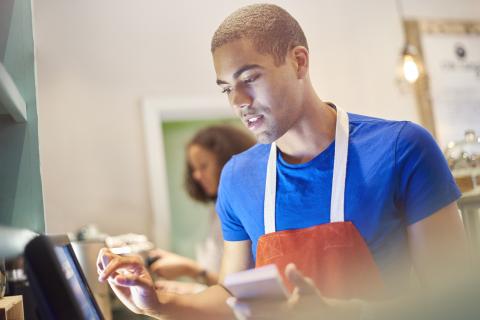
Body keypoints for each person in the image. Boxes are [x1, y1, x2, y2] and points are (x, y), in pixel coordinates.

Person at [97, 4, 469, 319]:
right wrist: (159, 303)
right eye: (227, 88)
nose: (238, 101)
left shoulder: (402, 149)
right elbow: (232, 297)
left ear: (299, 61)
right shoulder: (238, 177)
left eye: (250, 78)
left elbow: (457, 298)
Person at [148, 125, 255, 294]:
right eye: (194, 169)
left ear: (227, 163)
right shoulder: (216, 212)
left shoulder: (246, 212)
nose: (196, 176)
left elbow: (240, 287)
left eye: (203, 166)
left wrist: (191, 270)